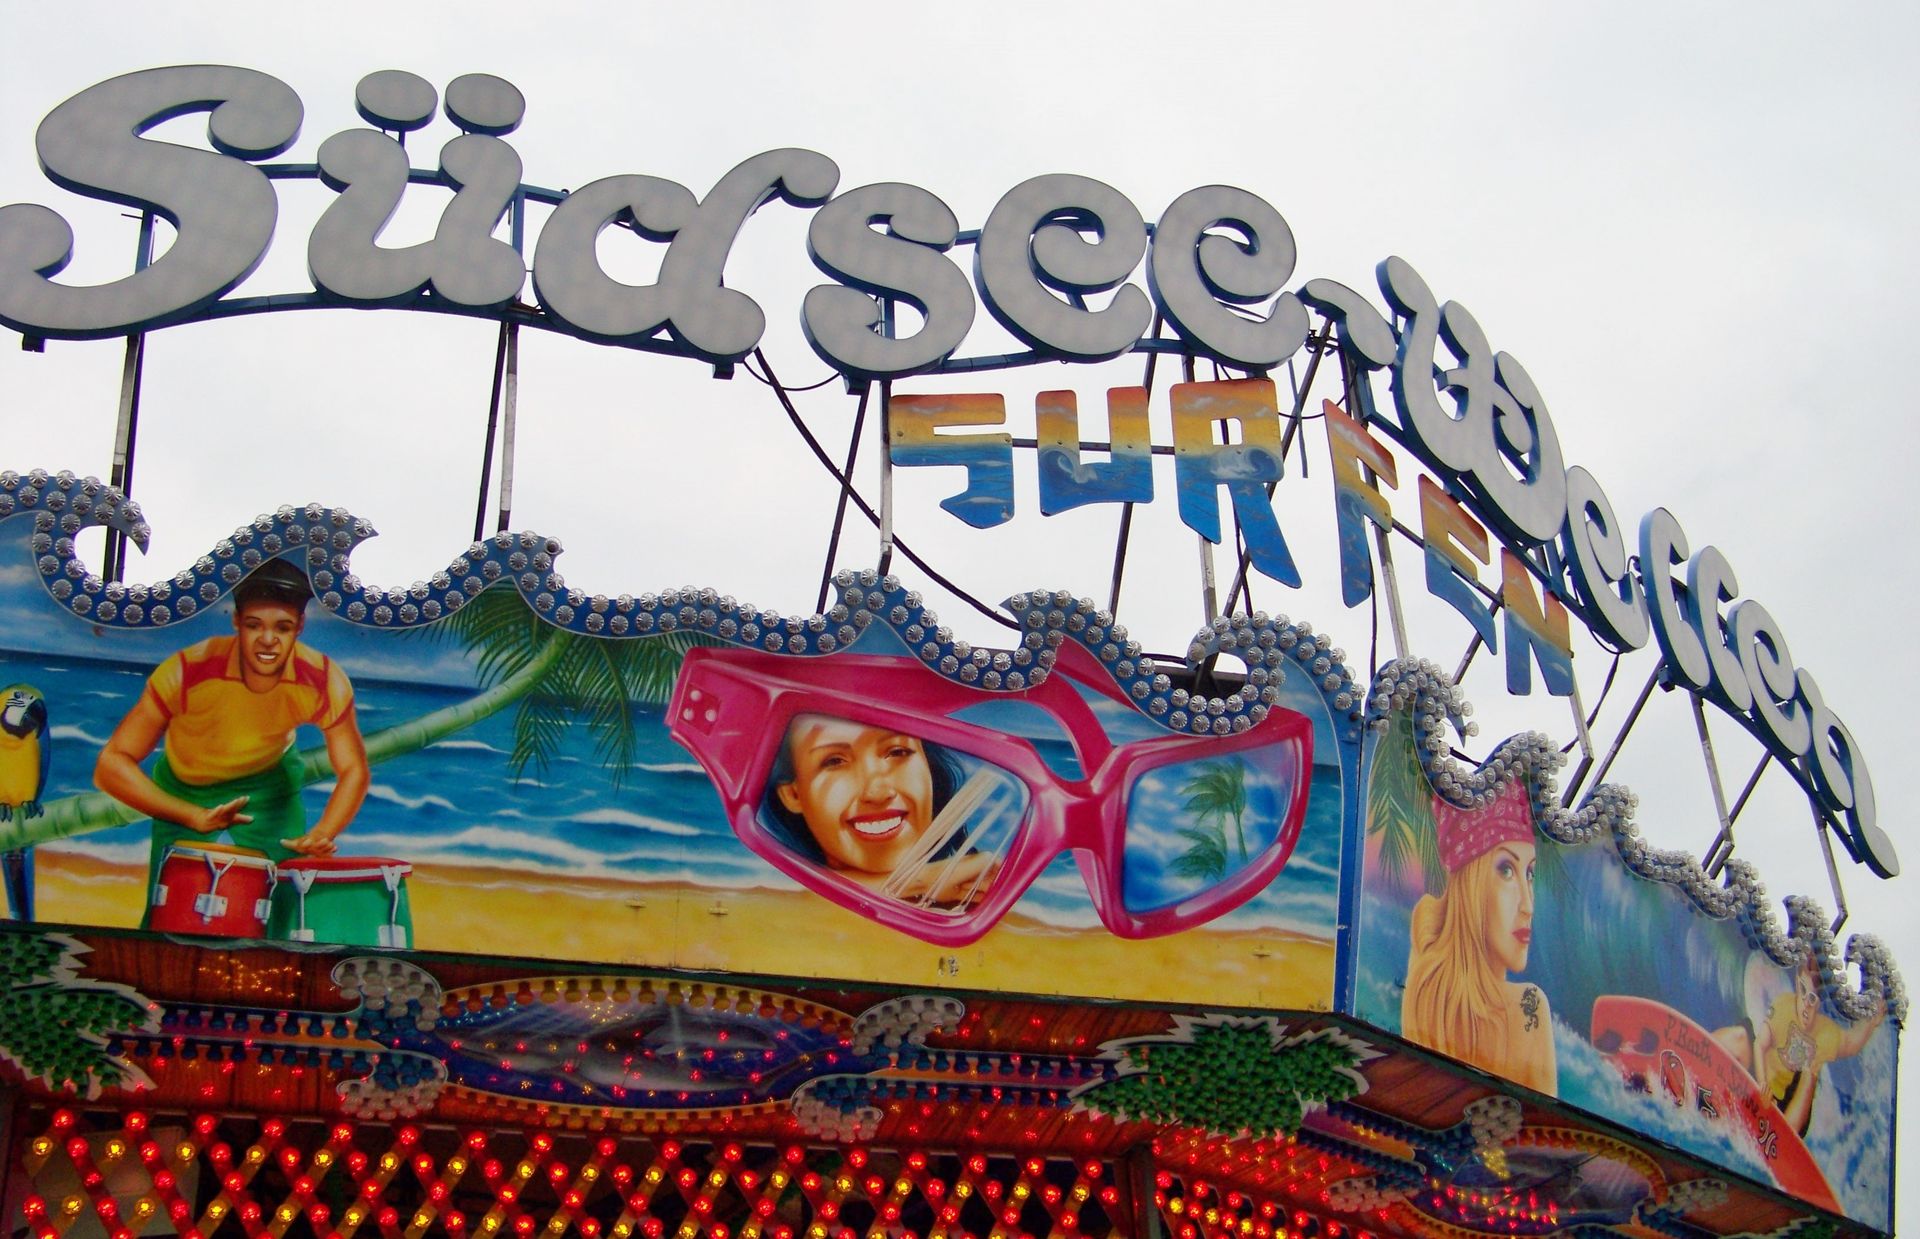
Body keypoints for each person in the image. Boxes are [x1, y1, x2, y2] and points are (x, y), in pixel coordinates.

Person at [94, 560, 370, 921]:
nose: (268, 640)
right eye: (255, 625)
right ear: (236, 621)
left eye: (283, 627)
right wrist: (191, 815)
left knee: (285, 903)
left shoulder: (322, 679)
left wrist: (323, 832)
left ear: (300, 626)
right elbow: (112, 762)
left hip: (269, 785)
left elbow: (353, 770)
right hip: (186, 785)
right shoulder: (187, 670)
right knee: (166, 905)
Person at [1401, 785, 1556, 1096]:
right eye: (1506, 870)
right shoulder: (1529, 1006)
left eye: (1530, 874)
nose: (1527, 905)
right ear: (1472, 883)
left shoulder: (1426, 977)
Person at [763, 713, 999, 910]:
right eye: (834, 761)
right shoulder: (781, 908)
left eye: (897, 752)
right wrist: (923, 881)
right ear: (793, 795)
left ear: (929, 770)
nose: (877, 793)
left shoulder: (979, 908)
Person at [1715, 956, 1885, 1137]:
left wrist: (1871, 1024)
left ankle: (1779, 1137)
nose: (1806, 1006)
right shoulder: (1784, 1005)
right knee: (1740, 1036)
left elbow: (1852, 1044)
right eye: (1803, 992)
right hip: (1760, 1077)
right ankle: (1697, 1051)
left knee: (1810, 1072)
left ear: (1819, 1004)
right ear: (1797, 984)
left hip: (1782, 1101)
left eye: (1812, 1000)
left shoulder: (1825, 1034)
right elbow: (1760, 1045)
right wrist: (1762, 1085)